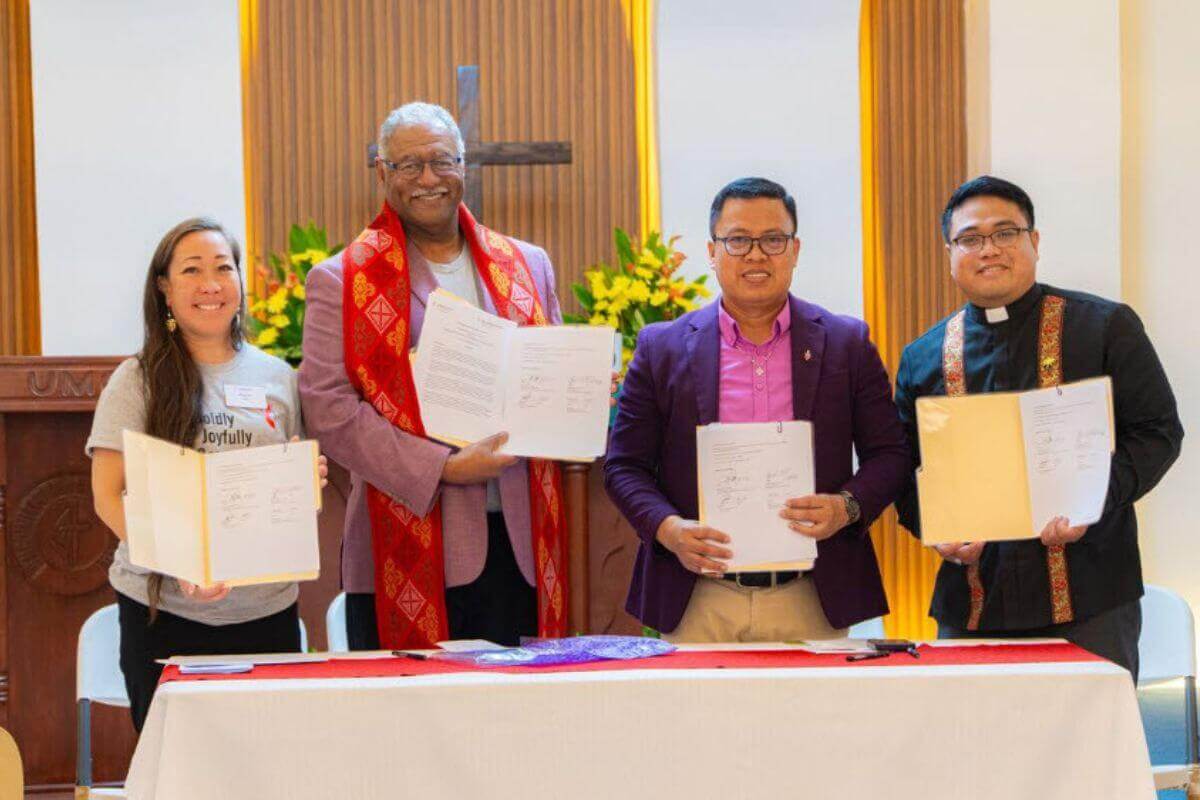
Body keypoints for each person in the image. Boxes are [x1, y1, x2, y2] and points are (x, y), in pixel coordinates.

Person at [300, 102, 570, 649]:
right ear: (382, 172)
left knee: (522, 722)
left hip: (523, 544)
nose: (428, 179)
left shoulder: (529, 264)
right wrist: (444, 468)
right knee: (410, 726)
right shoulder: (340, 279)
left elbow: (550, 373)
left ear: (464, 166)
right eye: (408, 165)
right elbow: (329, 411)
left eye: (442, 161)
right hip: (405, 538)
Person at [894, 175, 1183, 679]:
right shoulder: (923, 356)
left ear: (1035, 241)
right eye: (970, 238)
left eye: (1006, 232)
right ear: (949, 252)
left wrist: (1091, 498)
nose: (989, 249)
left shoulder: (1104, 327)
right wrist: (936, 528)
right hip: (972, 604)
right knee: (974, 749)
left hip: (1092, 599)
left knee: (1091, 752)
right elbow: (902, 467)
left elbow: (1158, 431)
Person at [604, 177, 910, 642]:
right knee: (697, 717)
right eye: (738, 240)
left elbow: (890, 455)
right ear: (712, 250)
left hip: (812, 594)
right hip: (697, 593)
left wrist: (845, 508)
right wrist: (668, 530)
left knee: (813, 717)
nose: (755, 254)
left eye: (773, 240)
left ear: (795, 248)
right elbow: (624, 465)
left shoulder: (846, 343)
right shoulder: (661, 347)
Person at [88, 217, 327, 731]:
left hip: (266, 613)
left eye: (223, 267)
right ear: (165, 289)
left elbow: (288, 500)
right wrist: (179, 564)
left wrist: (303, 482)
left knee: (265, 769)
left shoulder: (278, 377)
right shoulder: (137, 379)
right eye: (192, 270)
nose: (211, 283)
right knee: (177, 770)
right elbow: (108, 496)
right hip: (164, 613)